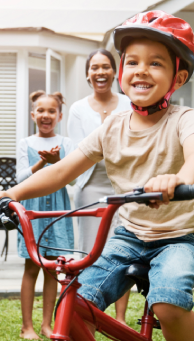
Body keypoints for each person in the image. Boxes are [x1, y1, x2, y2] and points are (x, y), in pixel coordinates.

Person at [0, 11, 194, 341]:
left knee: (168, 305)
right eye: (132, 62)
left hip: (179, 237)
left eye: (156, 63)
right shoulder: (113, 126)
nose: (141, 71)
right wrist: (13, 193)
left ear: (177, 79)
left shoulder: (184, 119)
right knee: (74, 303)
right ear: (122, 71)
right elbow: (63, 170)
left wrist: (178, 179)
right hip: (129, 235)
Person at [66, 48, 132, 324]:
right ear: (87, 74)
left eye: (105, 67)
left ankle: (119, 319)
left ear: (114, 72)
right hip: (91, 186)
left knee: (124, 249)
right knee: (90, 252)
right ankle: (89, 313)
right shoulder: (78, 109)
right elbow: (78, 151)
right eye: (94, 67)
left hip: (125, 187)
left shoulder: (129, 103)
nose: (100, 72)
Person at [15, 90, 77, 339]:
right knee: (31, 267)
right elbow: (19, 179)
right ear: (33, 115)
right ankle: (27, 326)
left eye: (51, 111)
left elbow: (72, 181)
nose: (46, 115)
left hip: (57, 213)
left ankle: (46, 325)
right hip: (33, 212)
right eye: (41, 110)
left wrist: (58, 161)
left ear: (59, 115)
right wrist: (43, 162)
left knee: (53, 269)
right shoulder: (26, 143)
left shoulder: (67, 144)